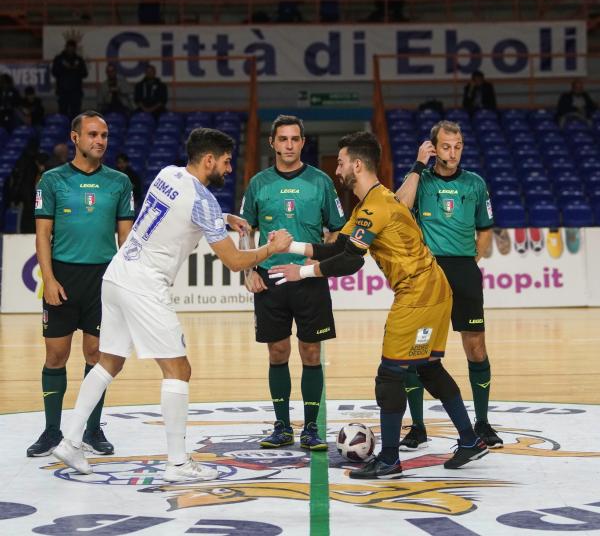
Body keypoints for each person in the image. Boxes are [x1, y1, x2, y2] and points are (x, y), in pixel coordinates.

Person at [53, 127, 292, 481]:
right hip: (145, 285)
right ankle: (178, 463)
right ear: (208, 159)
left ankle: (70, 440)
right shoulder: (204, 202)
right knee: (179, 370)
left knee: (108, 362)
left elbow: (182, 208)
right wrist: (272, 248)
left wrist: (225, 218)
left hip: (117, 273)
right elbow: (235, 262)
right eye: (226, 163)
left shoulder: (168, 173)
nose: (228, 170)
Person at [268, 131, 489, 477]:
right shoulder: (372, 202)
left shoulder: (375, 207)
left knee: (390, 375)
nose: (337, 168)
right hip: (434, 291)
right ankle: (469, 440)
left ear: (357, 164)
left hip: (418, 295)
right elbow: (339, 247)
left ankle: (388, 459)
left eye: (340, 162)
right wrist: (291, 246)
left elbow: (350, 262)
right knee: (428, 367)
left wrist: (304, 273)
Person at [27, 110, 135, 458]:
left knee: (96, 355)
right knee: (56, 355)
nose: (99, 141)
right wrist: (49, 279)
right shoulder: (52, 180)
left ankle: (91, 429)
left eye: (103, 135)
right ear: (75, 138)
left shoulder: (120, 182)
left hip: (102, 280)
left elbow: (127, 239)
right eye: (92, 135)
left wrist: (126, 283)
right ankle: (51, 430)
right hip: (63, 277)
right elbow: (42, 236)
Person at [240, 114, 346, 451]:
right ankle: (282, 425)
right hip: (270, 278)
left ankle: (312, 427)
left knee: (311, 353)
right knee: (278, 351)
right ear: (272, 143)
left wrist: (322, 261)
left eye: (294, 139)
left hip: (308, 279)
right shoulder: (258, 183)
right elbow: (245, 230)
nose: (288, 145)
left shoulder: (321, 181)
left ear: (302, 142)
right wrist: (248, 270)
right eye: (282, 139)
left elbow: (338, 228)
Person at [395, 120, 502, 450]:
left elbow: (485, 229)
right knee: (416, 351)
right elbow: (399, 205)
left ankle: (482, 422)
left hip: (464, 271)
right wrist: (417, 165)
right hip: (428, 274)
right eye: (445, 146)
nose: (452, 152)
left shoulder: (475, 183)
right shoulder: (421, 180)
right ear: (432, 147)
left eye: (457, 147)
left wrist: (471, 263)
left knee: (476, 347)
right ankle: (418, 427)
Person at [51, 40, 88, 120]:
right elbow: (54, 72)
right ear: (66, 48)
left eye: (72, 48)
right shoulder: (59, 59)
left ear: (75, 49)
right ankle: (63, 131)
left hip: (76, 92)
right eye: (69, 48)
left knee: (75, 115)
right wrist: (64, 68)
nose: (70, 50)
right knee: (63, 114)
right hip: (63, 91)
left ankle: (75, 132)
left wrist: (75, 69)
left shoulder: (79, 60)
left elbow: (85, 73)